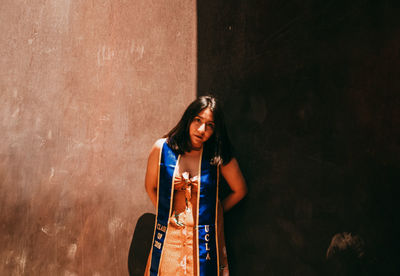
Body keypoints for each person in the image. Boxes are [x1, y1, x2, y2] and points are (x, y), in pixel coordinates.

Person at [144, 96, 247, 276]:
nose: (202, 129)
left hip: (203, 241)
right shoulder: (162, 149)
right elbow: (150, 187)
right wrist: (165, 213)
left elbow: (240, 190)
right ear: (188, 118)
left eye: (210, 125)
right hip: (170, 239)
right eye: (198, 120)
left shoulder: (217, 156)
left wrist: (217, 212)